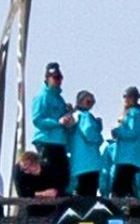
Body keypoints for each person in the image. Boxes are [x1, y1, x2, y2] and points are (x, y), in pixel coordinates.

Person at [31, 62, 73, 195]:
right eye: (55, 77)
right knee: (48, 174)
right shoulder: (41, 97)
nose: (58, 81)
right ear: (47, 78)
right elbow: (37, 120)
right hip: (46, 141)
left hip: (59, 142)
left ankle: (60, 201)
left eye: (60, 77)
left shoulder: (59, 99)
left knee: (63, 175)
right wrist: (58, 122)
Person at [111, 87, 140, 199]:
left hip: (131, 157)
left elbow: (132, 132)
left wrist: (116, 132)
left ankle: (123, 210)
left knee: (119, 189)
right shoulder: (134, 112)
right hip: (131, 156)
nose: (126, 99)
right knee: (128, 188)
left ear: (134, 98)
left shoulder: (135, 113)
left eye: (128, 96)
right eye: (124, 96)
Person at [69, 91, 104, 198]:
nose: (91, 103)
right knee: (89, 195)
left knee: (80, 194)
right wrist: (99, 136)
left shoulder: (73, 116)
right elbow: (89, 132)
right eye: (89, 100)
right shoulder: (85, 116)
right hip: (89, 163)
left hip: (77, 164)